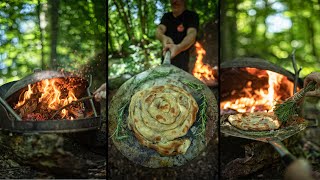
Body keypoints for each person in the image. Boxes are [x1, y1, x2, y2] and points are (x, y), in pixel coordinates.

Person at [156, 0, 199, 72]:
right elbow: (159, 30)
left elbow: (192, 34)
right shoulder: (166, 16)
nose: (174, 1)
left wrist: (179, 47)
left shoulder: (191, 16)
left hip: (183, 63)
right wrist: (163, 38)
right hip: (166, 61)